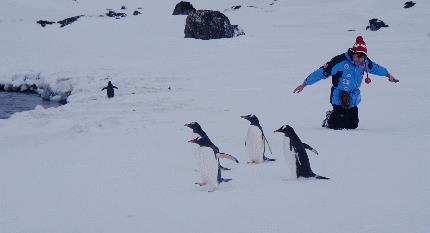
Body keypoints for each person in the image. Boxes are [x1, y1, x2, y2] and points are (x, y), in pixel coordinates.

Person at [293, 36, 399, 129]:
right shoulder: (340, 61)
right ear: (353, 53)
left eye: (362, 58)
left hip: (353, 96)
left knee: (353, 125)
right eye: (358, 56)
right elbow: (321, 72)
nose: (360, 60)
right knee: (337, 125)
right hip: (339, 95)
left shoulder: (364, 62)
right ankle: (329, 117)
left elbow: (376, 68)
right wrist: (305, 84)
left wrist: (388, 74)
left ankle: (342, 117)